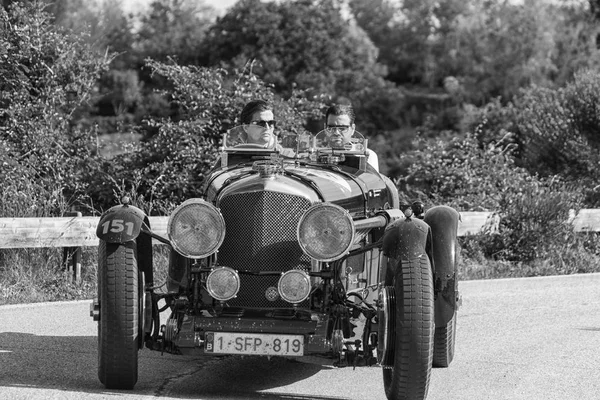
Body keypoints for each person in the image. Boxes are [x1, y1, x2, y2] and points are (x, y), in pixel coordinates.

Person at [323, 104, 379, 171]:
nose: (336, 132)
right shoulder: (316, 155)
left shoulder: (366, 156)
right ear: (325, 128)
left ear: (353, 129)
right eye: (331, 127)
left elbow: (372, 180)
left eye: (342, 128)